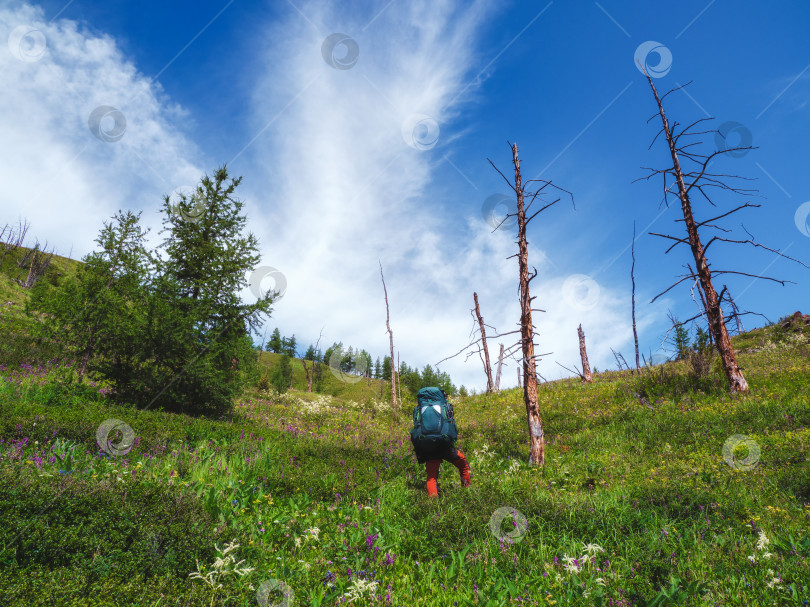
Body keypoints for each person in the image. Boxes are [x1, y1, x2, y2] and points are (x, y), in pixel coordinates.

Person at [409, 387, 471, 497]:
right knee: (463, 465)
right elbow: (452, 424)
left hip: (427, 445)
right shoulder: (443, 405)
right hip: (444, 444)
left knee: (431, 477)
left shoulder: (420, 407)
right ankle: (466, 492)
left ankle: (433, 506)